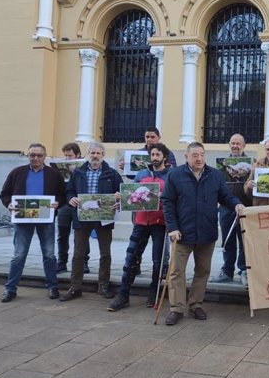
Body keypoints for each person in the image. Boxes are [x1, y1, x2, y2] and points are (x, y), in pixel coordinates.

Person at [161, 142, 244, 325]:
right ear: (187, 157)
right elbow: (167, 202)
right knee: (176, 272)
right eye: (195, 156)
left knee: (203, 271)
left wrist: (236, 203)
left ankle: (195, 304)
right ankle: (177, 308)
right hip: (181, 234)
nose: (199, 159)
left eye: (201, 155)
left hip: (207, 233)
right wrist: (172, 227)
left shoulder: (214, 175)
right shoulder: (175, 175)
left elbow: (226, 196)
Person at [108, 143, 172, 311]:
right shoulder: (141, 174)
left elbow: (174, 197)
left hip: (160, 223)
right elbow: (132, 195)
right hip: (141, 222)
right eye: (152, 154)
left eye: (158, 154)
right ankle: (123, 295)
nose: (155, 157)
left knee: (158, 261)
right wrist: (121, 199)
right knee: (131, 259)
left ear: (164, 157)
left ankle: (154, 293)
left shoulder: (171, 175)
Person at [0, 143, 66, 302]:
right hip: (23, 220)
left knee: (49, 255)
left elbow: (63, 195)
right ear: (28, 156)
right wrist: (8, 203)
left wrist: (58, 203)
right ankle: (10, 288)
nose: (36, 158)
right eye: (32, 155)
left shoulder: (54, 174)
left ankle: (52, 286)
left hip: (46, 219)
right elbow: (4, 194)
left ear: (45, 156)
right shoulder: (17, 173)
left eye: (39, 155)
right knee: (19, 255)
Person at [60, 142, 123, 302]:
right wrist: (71, 199)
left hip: (104, 218)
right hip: (82, 217)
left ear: (103, 155)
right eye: (92, 153)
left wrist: (118, 200)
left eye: (98, 153)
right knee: (78, 254)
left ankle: (103, 286)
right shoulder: (78, 172)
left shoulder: (112, 174)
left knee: (105, 254)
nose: (95, 156)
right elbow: (69, 191)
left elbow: (121, 194)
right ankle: (75, 287)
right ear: (88, 155)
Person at [211, 133, 252, 286]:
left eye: (238, 143)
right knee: (227, 240)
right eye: (232, 143)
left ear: (244, 145)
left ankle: (244, 270)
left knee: (244, 241)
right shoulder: (223, 165)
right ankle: (227, 270)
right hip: (226, 208)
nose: (235, 146)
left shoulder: (252, 164)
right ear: (229, 145)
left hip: (245, 207)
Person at [56, 142, 90, 274]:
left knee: (81, 235)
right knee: (62, 234)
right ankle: (62, 262)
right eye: (65, 156)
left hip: (81, 204)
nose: (68, 158)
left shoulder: (86, 167)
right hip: (65, 204)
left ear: (78, 155)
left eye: (70, 156)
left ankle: (83, 262)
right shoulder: (62, 167)